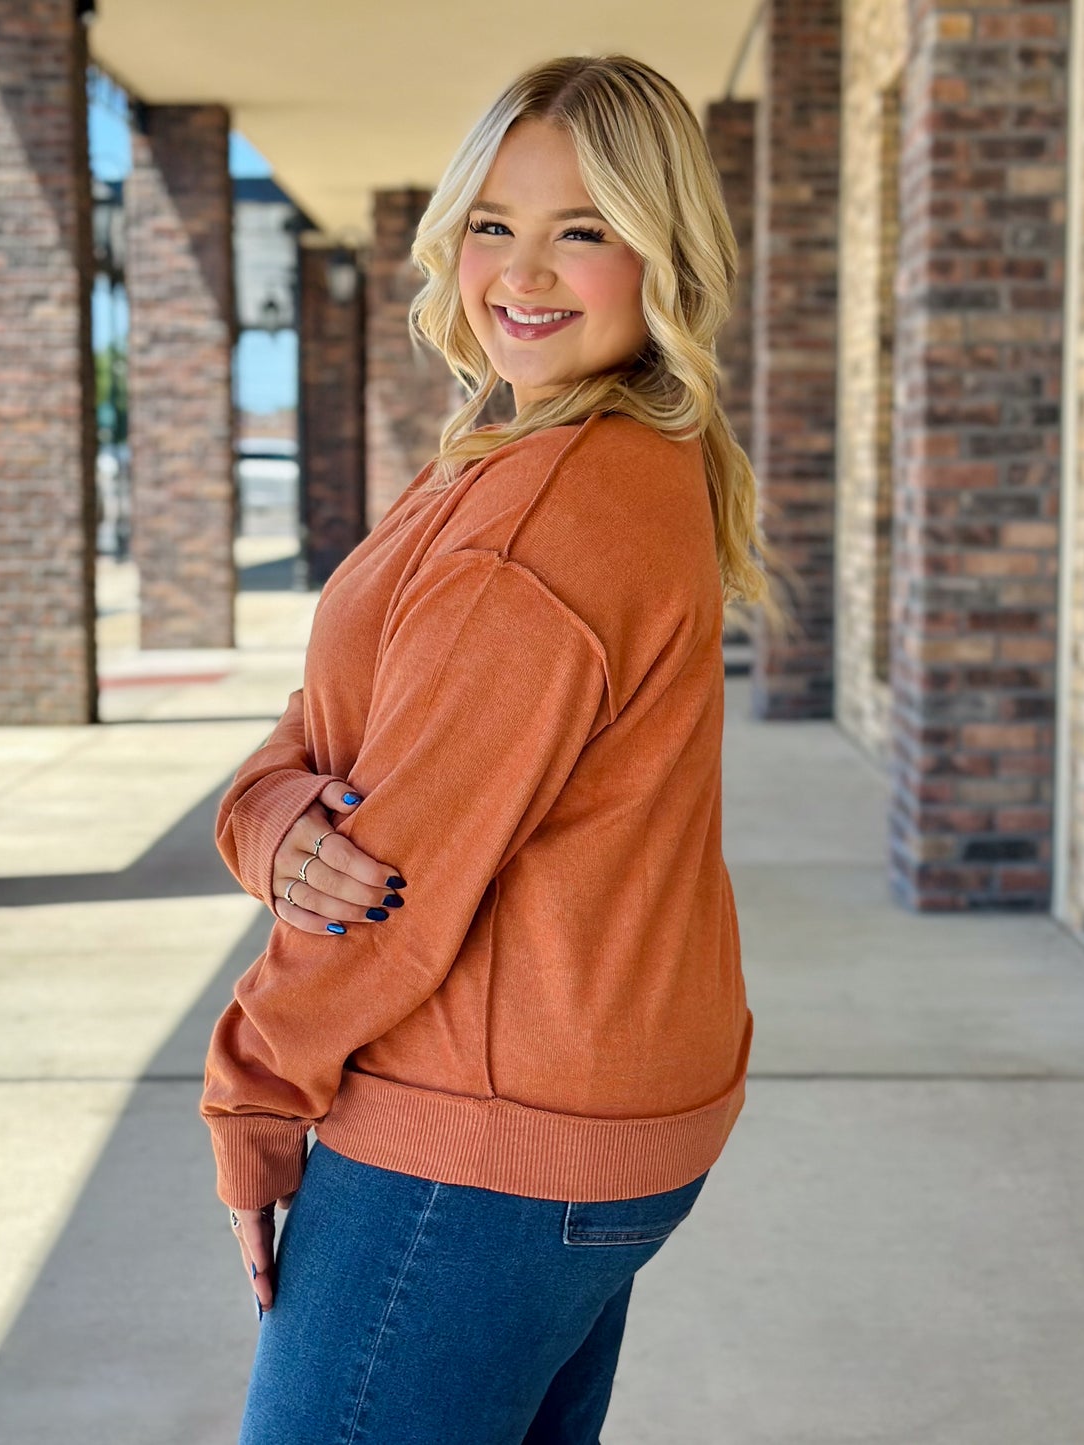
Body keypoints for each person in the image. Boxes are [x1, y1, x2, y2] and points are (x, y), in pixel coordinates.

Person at [200, 52, 774, 1445]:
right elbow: (328, 738)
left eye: (583, 229)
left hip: (479, 1142)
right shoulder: (540, 454)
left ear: (662, 253)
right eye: (492, 222)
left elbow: (389, 891)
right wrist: (271, 816)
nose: (520, 268)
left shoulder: (539, 525)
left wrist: (253, 1104)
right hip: (584, 1117)